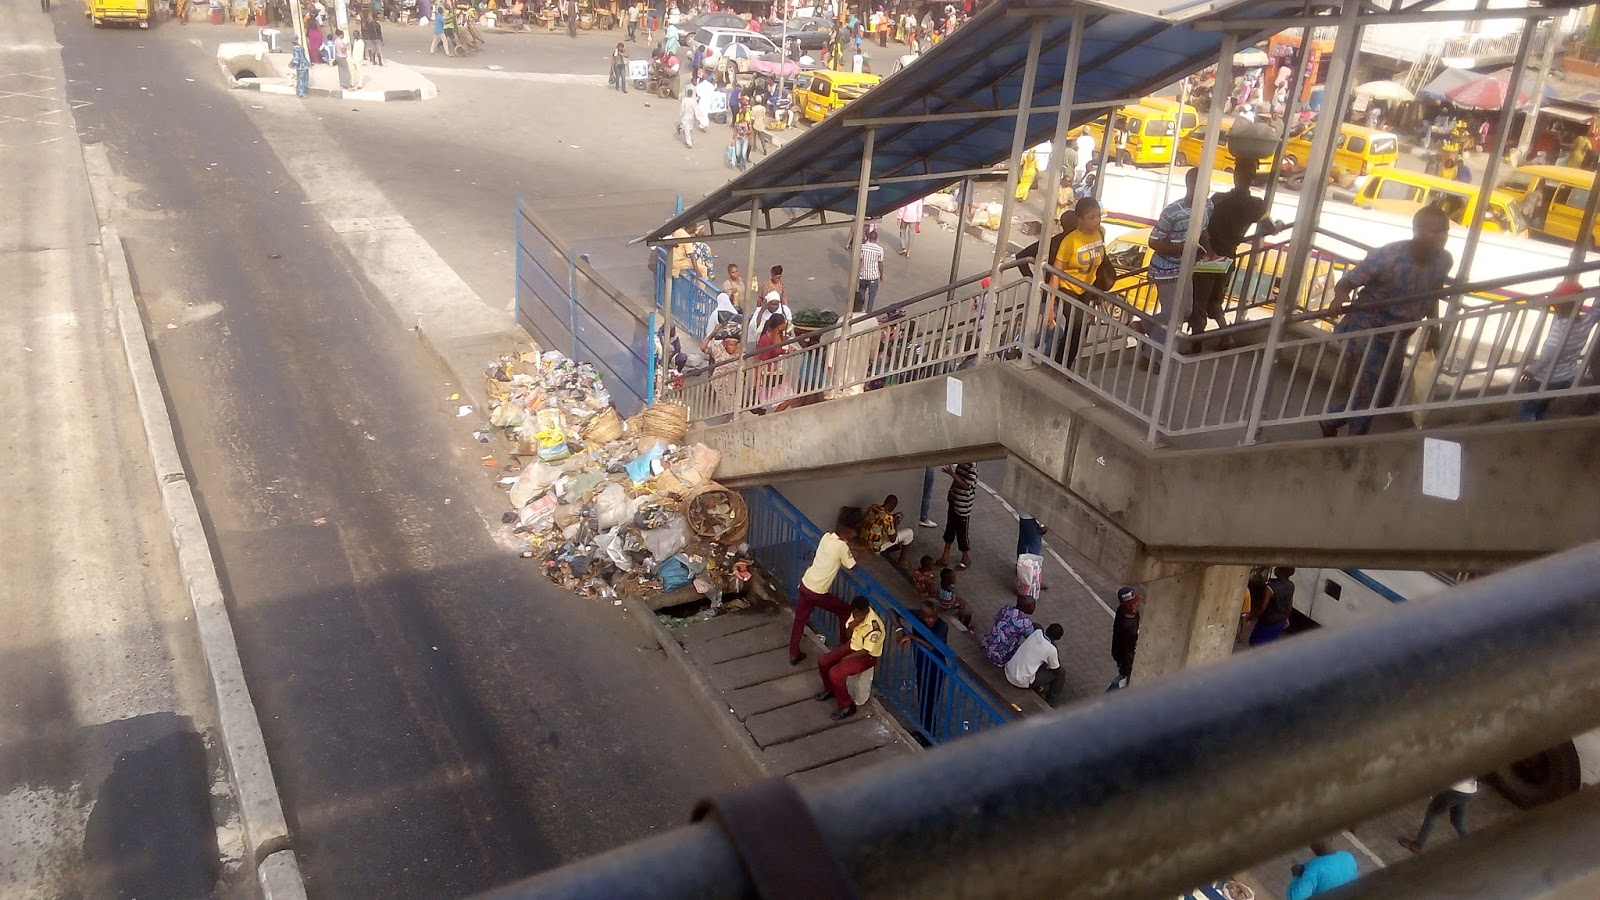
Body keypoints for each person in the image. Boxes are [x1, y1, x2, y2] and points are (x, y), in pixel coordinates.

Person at [1319, 207, 1453, 438]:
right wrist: (1340, 297)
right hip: (1366, 330)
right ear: (1417, 230)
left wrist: (1434, 329)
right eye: (1435, 231)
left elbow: (1432, 294)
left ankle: (1332, 418)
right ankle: (1353, 445)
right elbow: (1348, 281)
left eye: (1445, 231)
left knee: (1385, 396)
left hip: (1398, 335)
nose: (1442, 237)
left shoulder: (1443, 260)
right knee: (1368, 393)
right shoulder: (1389, 256)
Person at [1196, 163, 1284, 339]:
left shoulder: (1218, 198)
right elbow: (1272, 228)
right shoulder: (1256, 205)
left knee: (1199, 301)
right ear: (1253, 178)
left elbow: (1202, 222)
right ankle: (1226, 337)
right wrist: (1279, 225)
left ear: (1235, 176)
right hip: (1227, 255)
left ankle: (1197, 340)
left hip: (1209, 253)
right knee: (1215, 301)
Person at [1142, 167, 1213, 367]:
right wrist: (1181, 249)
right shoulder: (1172, 212)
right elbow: (1154, 241)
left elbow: (1203, 230)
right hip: (1165, 270)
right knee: (1172, 314)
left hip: (1186, 267)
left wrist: (1210, 252)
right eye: (1201, 185)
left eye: (1207, 185)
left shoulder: (1208, 206)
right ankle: (1149, 356)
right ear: (1190, 185)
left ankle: (1143, 325)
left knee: (1186, 311)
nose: (1205, 189)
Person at [1518, 279, 1597, 422]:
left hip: (1545, 377)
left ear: (1561, 306)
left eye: (1556, 305)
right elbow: (1597, 311)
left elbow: (1549, 354)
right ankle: (1539, 421)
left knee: (1529, 405)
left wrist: (1531, 370)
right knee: (1544, 403)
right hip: (1567, 377)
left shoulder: (1559, 328)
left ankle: (1527, 427)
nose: (1555, 308)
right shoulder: (1586, 322)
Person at [1045, 196, 1108, 370]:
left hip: (1086, 289)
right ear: (1080, 219)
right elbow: (1055, 273)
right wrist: (1050, 307)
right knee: (1078, 325)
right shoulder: (1070, 241)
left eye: (1098, 216)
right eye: (1091, 217)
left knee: (1081, 329)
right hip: (1069, 289)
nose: (1096, 221)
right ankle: (1059, 366)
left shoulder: (1099, 233)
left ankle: (1063, 365)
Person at [789, 525, 858, 665]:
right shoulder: (842, 547)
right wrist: (861, 554)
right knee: (845, 611)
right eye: (852, 534)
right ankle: (843, 646)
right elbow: (852, 566)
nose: (853, 537)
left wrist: (853, 548)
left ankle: (794, 653)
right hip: (817, 592)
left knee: (800, 620)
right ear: (847, 533)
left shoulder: (826, 537)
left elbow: (840, 547)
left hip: (806, 583)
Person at [812, 595, 886, 720]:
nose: (856, 617)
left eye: (858, 614)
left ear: (865, 610)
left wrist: (847, 658)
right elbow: (848, 637)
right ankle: (830, 689)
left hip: (866, 657)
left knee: (835, 673)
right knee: (823, 661)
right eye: (854, 614)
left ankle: (847, 705)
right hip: (852, 646)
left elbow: (866, 651)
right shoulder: (855, 615)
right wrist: (851, 627)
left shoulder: (874, 627)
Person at [897, 601, 949, 736]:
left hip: (936, 670)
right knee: (924, 701)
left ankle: (928, 736)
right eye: (928, 617)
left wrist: (911, 636)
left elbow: (932, 646)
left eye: (934, 616)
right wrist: (898, 629)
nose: (932, 620)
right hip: (922, 666)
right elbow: (893, 611)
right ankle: (925, 732)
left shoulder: (942, 626)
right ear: (921, 615)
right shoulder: (916, 616)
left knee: (929, 703)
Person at [1399, 779, 1477, 853]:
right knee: (1457, 822)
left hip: (1455, 790)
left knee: (1432, 814)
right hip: (1470, 792)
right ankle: (1471, 845)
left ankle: (1417, 845)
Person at [1005, 622, 1065, 704]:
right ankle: (1052, 703)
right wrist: (1057, 663)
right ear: (1058, 638)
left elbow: (1037, 625)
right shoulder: (1051, 650)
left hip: (1009, 670)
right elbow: (1056, 670)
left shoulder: (1037, 632)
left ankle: (1038, 687)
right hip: (1020, 681)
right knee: (1061, 674)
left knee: (1041, 661)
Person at [935, 460, 976, 571]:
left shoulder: (972, 465)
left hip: (963, 506)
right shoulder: (962, 462)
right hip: (955, 500)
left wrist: (951, 474)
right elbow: (957, 478)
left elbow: (967, 485)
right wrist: (951, 490)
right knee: (950, 529)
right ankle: (945, 556)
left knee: (962, 533)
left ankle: (965, 559)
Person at [1286, 841, 1359, 899]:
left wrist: (1296, 877)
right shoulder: (1348, 857)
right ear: (1331, 838)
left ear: (1313, 846)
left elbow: (1296, 897)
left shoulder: (1313, 868)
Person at [1244, 566, 1295, 646]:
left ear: (1281, 571)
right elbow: (1289, 603)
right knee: (1268, 642)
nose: (1275, 568)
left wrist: (1251, 618)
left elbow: (1262, 607)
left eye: (1278, 567)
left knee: (1256, 642)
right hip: (1280, 621)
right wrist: (1286, 617)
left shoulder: (1270, 588)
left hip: (1268, 621)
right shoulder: (1291, 585)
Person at [858, 494, 914, 567]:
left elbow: (880, 517)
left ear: (885, 501)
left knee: (881, 530)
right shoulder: (889, 518)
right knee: (909, 532)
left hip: (863, 540)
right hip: (875, 547)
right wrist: (895, 523)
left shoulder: (874, 507)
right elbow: (892, 539)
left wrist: (892, 517)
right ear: (893, 506)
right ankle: (902, 560)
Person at [980, 595, 1037, 667]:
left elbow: (997, 618)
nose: (1034, 608)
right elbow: (1031, 637)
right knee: (1026, 648)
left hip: (986, 644)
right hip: (999, 657)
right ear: (1026, 608)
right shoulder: (1025, 623)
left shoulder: (1007, 608)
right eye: (1033, 606)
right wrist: (1036, 628)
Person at [1109, 586, 1140, 691]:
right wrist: (1129, 671)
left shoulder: (1128, 612)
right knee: (1123, 679)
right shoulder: (1126, 628)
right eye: (1129, 605)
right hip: (1124, 657)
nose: (1134, 606)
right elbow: (1126, 652)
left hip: (1123, 652)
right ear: (1124, 606)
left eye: (1134, 602)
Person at [856, 225, 885, 312]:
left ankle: (860, 310)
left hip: (863, 275)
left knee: (861, 293)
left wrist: (857, 273)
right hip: (873, 276)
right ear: (876, 239)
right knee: (871, 296)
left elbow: (859, 261)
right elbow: (880, 263)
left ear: (868, 237)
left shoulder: (862, 247)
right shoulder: (879, 249)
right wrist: (881, 275)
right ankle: (869, 312)